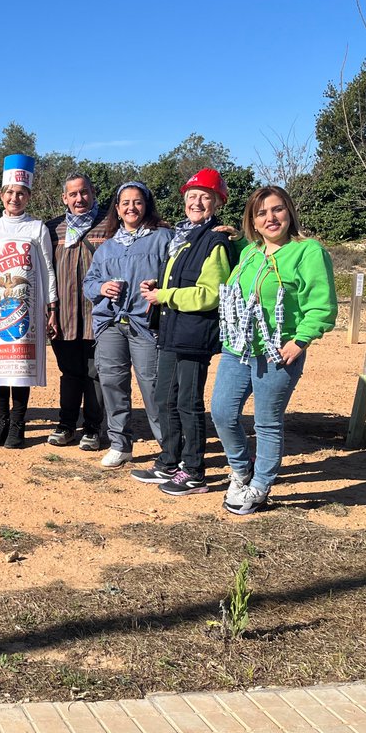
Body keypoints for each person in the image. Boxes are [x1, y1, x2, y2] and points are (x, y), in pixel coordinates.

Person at [212, 186, 337, 515]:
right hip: (238, 346)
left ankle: (261, 486)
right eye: (261, 212)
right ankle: (241, 471)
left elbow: (322, 306)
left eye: (277, 210)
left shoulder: (307, 251)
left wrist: (301, 341)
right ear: (252, 220)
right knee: (222, 412)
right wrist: (236, 239)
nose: (271, 218)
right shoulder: (251, 251)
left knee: (267, 422)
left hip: (279, 350)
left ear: (290, 212)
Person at [133, 168, 238, 495]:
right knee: (164, 399)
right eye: (191, 196)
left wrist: (164, 296)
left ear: (217, 203)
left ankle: (194, 472)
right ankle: (169, 463)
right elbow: (182, 280)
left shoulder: (215, 241)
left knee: (188, 403)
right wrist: (157, 284)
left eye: (204, 197)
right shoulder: (184, 237)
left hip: (194, 337)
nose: (196, 202)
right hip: (172, 332)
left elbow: (210, 294)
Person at [0, 155, 58, 449]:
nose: (14, 198)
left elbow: (47, 269)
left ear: (28, 196)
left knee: (20, 368)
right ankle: (0, 423)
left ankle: (18, 426)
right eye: (10, 193)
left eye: (20, 193)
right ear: (1, 196)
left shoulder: (37, 229)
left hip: (27, 310)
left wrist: (51, 307)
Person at [83, 182, 172, 468]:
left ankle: (169, 448)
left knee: (153, 385)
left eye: (137, 202)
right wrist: (102, 287)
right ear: (118, 210)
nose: (131, 207)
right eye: (125, 203)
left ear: (146, 206)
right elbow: (89, 283)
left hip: (145, 324)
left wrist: (159, 287)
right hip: (110, 324)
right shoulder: (107, 247)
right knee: (112, 383)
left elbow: (178, 274)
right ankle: (121, 444)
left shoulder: (164, 239)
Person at [45, 173, 109, 451]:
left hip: (100, 316)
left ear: (93, 193)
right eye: (73, 194)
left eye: (84, 192)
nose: (79, 199)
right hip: (63, 316)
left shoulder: (110, 223)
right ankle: (66, 424)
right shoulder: (52, 229)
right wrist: (49, 311)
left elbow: (148, 227)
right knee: (69, 372)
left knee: (95, 372)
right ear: (64, 198)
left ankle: (93, 428)